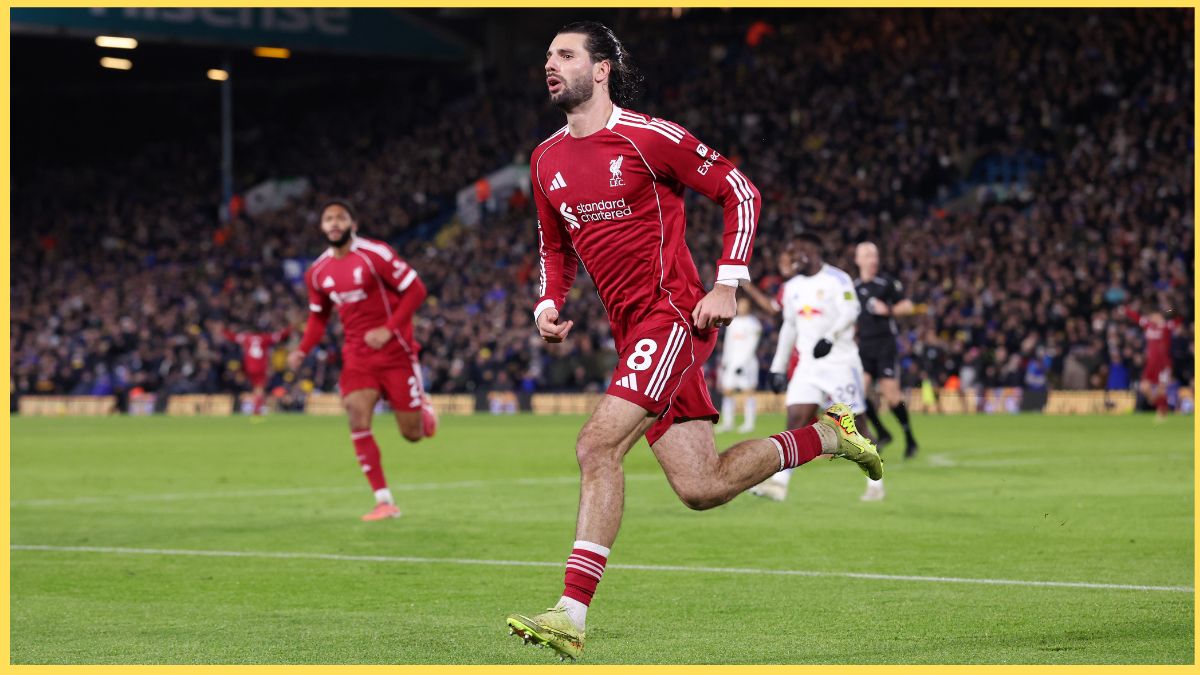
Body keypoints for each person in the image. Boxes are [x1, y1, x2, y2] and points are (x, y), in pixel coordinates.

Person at [504, 22, 880, 661]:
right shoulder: (545, 160)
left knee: (597, 445)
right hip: (634, 335)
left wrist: (728, 282)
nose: (551, 64)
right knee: (701, 487)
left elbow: (739, 190)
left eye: (565, 54)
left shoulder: (648, 138)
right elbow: (552, 245)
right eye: (547, 55)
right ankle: (827, 436)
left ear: (600, 70)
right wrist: (548, 302)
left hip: (673, 314)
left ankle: (570, 612)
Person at [287, 200, 437, 522]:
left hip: (396, 351)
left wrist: (388, 330)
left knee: (412, 434)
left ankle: (422, 410)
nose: (334, 222)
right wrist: (302, 349)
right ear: (322, 227)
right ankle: (384, 500)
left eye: (341, 217)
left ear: (353, 223)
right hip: (357, 356)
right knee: (356, 416)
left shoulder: (375, 255)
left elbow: (416, 291)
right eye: (328, 218)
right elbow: (318, 318)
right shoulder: (317, 273)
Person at [751, 232, 871, 503]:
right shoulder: (792, 287)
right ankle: (780, 483)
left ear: (812, 252)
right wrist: (778, 367)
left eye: (797, 253)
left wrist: (830, 337)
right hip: (808, 366)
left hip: (840, 363)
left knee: (855, 425)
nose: (793, 259)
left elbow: (851, 311)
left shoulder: (837, 279)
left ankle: (875, 480)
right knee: (795, 419)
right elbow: (789, 326)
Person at [853, 241, 918, 500]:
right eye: (867, 254)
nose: (872, 259)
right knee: (859, 393)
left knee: (892, 396)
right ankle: (882, 431)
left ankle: (909, 437)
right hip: (864, 347)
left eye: (875, 254)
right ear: (858, 259)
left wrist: (888, 310)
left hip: (885, 346)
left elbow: (908, 307)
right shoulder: (853, 288)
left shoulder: (886, 284)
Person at [1123, 302, 1182, 422]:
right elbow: (1137, 317)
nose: (1151, 318)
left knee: (1161, 388)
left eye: (1153, 316)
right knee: (1144, 387)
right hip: (1151, 364)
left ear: (1159, 316)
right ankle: (1156, 402)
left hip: (1163, 363)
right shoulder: (1148, 325)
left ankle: (1162, 412)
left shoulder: (1167, 326)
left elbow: (1178, 316)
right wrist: (1126, 309)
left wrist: (1169, 310)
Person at [220, 322, 290, 416]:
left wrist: (223, 330)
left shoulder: (246, 337)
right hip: (260, 366)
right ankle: (256, 409)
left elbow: (232, 337)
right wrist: (289, 328)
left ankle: (251, 406)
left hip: (248, 366)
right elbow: (280, 336)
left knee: (253, 387)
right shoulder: (265, 338)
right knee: (259, 388)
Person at [715, 297, 763, 433]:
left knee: (748, 392)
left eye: (744, 304)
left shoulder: (754, 323)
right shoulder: (733, 322)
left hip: (747, 363)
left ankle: (749, 423)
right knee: (727, 391)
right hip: (732, 362)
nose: (741, 307)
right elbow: (728, 343)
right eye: (740, 304)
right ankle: (728, 423)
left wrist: (743, 363)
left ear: (749, 307)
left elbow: (752, 345)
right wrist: (725, 361)